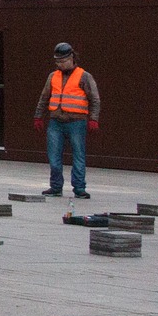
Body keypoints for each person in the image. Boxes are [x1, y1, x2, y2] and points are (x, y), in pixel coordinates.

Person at [34, 41, 99, 199]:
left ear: (72, 58)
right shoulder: (52, 77)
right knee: (54, 157)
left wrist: (93, 119)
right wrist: (38, 116)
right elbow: (44, 98)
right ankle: (56, 187)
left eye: (62, 61)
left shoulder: (84, 76)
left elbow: (95, 99)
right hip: (55, 122)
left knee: (78, 155)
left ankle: (79, 188)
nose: (60, 65)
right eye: (57, 62)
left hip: (77, 122)